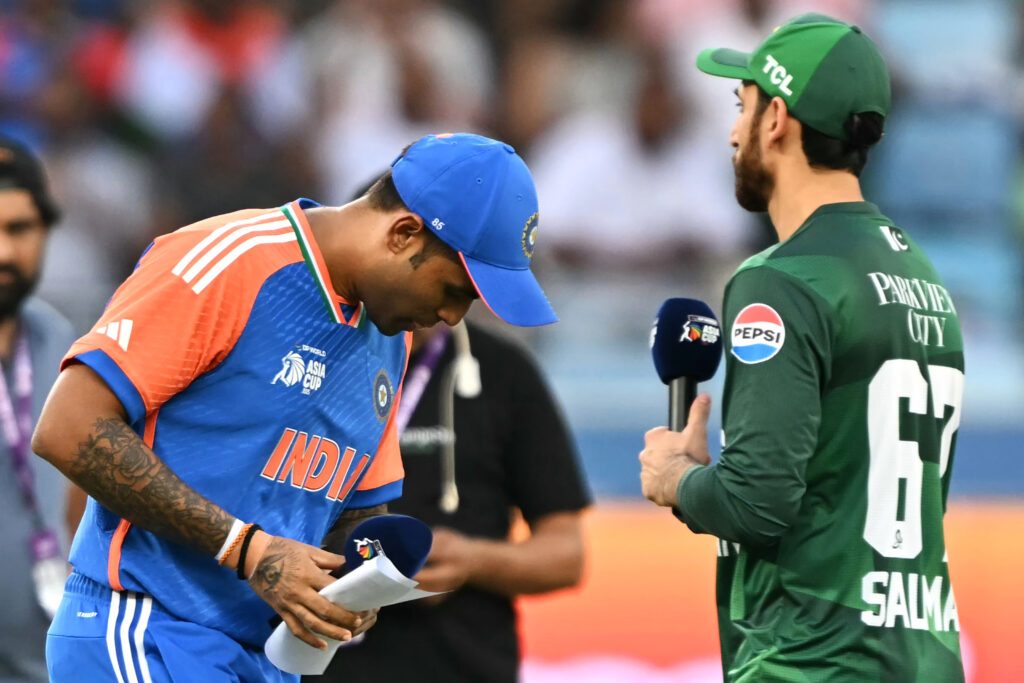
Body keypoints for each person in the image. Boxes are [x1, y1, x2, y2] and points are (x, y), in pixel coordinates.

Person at [31, 132, 558, 683]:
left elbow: (355, 509)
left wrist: (356, 583)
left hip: (265, 656)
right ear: (403, 234)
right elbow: (68, 427)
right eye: (454, 290)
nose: (453, 318)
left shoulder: (390, 335)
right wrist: (248, 550)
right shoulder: (231, 261)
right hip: (146, 629)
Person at [638, 14, 966, 682]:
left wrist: (677, 478)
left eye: (743, 106)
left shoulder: (782, 279)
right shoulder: (922, 274)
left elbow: (757, 503)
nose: (733, 132)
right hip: (922, 656)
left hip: (814, 661)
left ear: (777, 119)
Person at [308, 320, 590, 683]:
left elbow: (567, 556)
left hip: (458, 662)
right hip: (309, 658)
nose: (448, 310)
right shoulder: (310, 354)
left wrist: (472, 560)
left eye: (460, 297)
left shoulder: (502, 370)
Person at [0, 135, 77, 683]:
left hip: (46, 664)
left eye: (20, 228)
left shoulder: (59, 340)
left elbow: (76, 497)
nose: (4, 252)